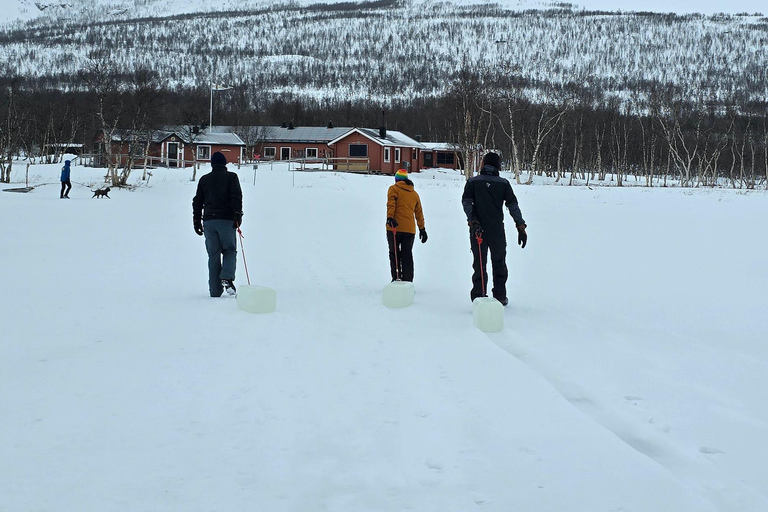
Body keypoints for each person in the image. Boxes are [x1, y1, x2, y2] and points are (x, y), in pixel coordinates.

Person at [461, 152, 527, 305]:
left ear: (483, 164)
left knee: (479, 264)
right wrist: (520, 226)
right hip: (497, 231)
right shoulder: (503, 183)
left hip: (477, 230)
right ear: (498, 166)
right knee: (499, 263)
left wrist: (473, 220)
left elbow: (466, 202)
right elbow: (513, 206)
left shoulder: (472, 182)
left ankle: (479, 296)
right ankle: (500, 296)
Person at [192, 151, 244, 297]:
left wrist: (196, 221)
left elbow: (197, 202)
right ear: (225, 163)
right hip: (226, 220)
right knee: (229, 250)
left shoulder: (204, 179)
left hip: (209, 222)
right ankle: (227, 277)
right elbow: (236, 196)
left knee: (213, 254)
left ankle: (215, 290)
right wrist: (238, 214)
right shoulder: (231, 177)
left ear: (212, 164)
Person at [386, 169, 427, 282]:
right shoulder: (414, 194)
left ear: (397, 179)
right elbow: (419, 213)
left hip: (394, 227)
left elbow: (391, 204)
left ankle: (396, 278)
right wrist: (422, 229)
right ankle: (408, 280)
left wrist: (390, 218)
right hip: (409, 230)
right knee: (407, 254)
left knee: (394, 254)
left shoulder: (393, 189)